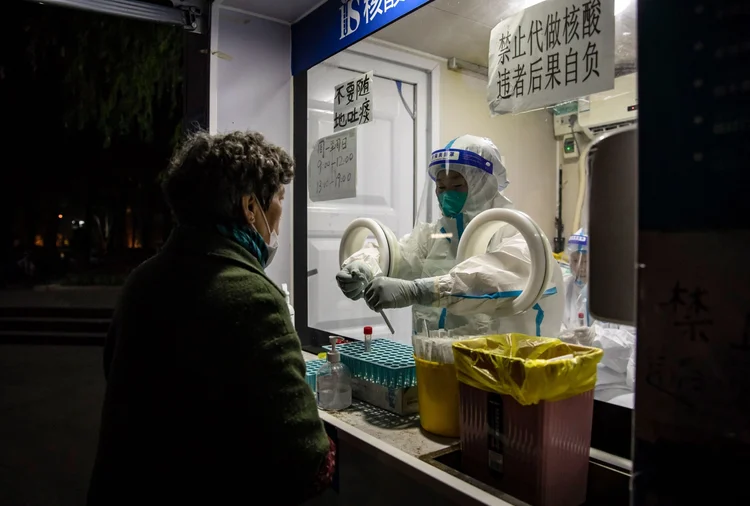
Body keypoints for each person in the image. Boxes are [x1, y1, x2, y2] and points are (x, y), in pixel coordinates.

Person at [88, 131, 334, 506]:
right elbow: (302, 457)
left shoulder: (143, 280)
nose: (281, 214)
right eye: (280, 198)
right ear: (250, 208)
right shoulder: (252, 295)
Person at [336, 134, 562, 337]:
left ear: (482, 184)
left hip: (498, 368)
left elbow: (492, 278)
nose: (446, 194)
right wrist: (362, 266)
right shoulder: (436, 233)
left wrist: (420, 290)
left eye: (456, 184)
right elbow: (397, 254)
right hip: (435, 361)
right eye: (440, 186)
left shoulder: (514, 230)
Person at [561, 228, 636, 406]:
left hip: (611, 385)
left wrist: (597, 338)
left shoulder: (622, 293)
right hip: (573, 380)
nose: (580, 267)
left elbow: (631, 348)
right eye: (574, 260)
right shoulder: (564, 288)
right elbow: (550, 326)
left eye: (586, 261)